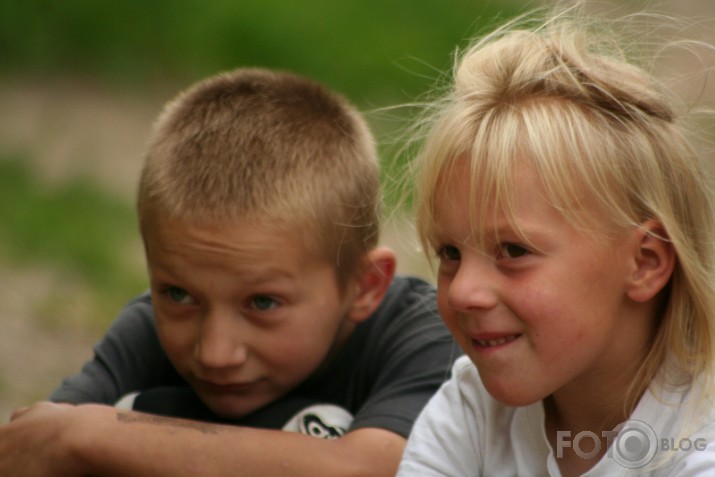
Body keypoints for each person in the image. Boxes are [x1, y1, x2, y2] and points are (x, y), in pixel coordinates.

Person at [0, 67, 457, 476]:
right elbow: (32, 447)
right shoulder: (146, 330)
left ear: (364, 286)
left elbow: (377, 468)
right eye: (179, 295)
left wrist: (95, 434)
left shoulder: (423, 334)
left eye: (262, 303)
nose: (216, 353)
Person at [397, 5, 715, 477]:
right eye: (450, 253)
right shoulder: (475, 409)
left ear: (645, 263)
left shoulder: (697, 444)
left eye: (514, 251)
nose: (461, 291)